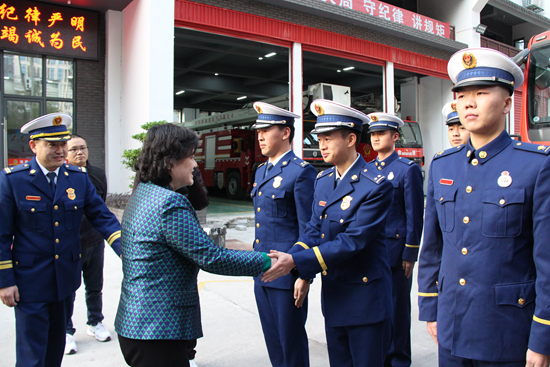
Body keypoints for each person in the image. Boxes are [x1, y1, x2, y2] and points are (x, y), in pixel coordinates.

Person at [417, 47, 550, 366]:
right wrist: (429, 308)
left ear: (506, 103)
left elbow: (546, 261)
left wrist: (543, 337)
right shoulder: (442, 166)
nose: (469, 102)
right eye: (462, 95)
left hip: (507, 331)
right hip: (451, 326)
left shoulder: (536, 166)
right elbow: (433, 247)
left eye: (481, 92)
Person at [114, 123, 275, 367]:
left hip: (138, 324)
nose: (195, 164)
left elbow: (173, 244)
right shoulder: (169, 204)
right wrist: (266, 261)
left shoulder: (144, 193)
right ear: (170, 162)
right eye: (190, 157)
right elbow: (211, 258)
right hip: (157, 330)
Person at [263, 99, 394, 367]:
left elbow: (353, 241)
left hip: (366, 301)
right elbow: (313, 230)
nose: (321, 144)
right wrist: (292, 258)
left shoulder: (376, 186)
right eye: (319, 138)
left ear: (351, 139)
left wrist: (297, 262)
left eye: (328, 138)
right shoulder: (323, 182)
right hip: (335, 299)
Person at [0, 113, 122, 367]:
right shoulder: (13, 180)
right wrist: (5, 281)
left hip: (65, 280)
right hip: (29, 283)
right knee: (32, 355)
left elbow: (103, 217)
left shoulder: (78, 178)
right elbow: (2, 234)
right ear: (34, 146)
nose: (60, 150)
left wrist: (128, 252)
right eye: (52, 144)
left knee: (55, 351)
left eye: (62, 144)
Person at [250, 102, 317, 367]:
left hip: (288, 275)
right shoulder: (260, 170)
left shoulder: (301, 172)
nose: (260, 136)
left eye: (266, 130)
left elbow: (309, 229)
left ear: (286, 132)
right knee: (274, 343)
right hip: (261, 271)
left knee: (292, 346)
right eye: (259, 131)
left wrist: (305, 275)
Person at [367, 112, 424, 367]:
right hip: (369, 254)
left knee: (397, 312)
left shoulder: (406, 170)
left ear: (395, 136)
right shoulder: (366, 170)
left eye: (381, 133)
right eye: (373, 134)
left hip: (395, 255)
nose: (376, 138)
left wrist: (410, 253)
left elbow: (415, 214)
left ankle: (399, 359)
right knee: (374, 311)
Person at [63, 134, 114, 355]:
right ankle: (66, 331)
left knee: (94, 287)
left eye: (82, 148)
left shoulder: (97, 174)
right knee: (68, 290)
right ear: (66, 153)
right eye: (73, 149)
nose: (79, 152)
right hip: (70, 244)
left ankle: (95, 322)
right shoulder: (62, 177)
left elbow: (101, 208)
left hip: (94, 241)